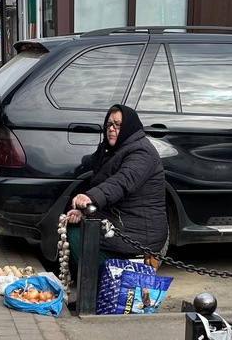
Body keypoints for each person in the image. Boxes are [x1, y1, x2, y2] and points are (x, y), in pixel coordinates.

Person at [65, 104, 167, 282]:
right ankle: (95, 296)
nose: (111, 129)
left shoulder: (142, 152)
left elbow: (121, 182)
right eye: (109, 124)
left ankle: (96, 295)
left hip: (138, 232)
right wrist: (82, 211)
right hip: (121, 221)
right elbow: (103, 185)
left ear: (128, 127)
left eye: (117, 125)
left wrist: (90, 197)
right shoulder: (113, 150)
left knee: (79, 236)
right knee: (73, 227)